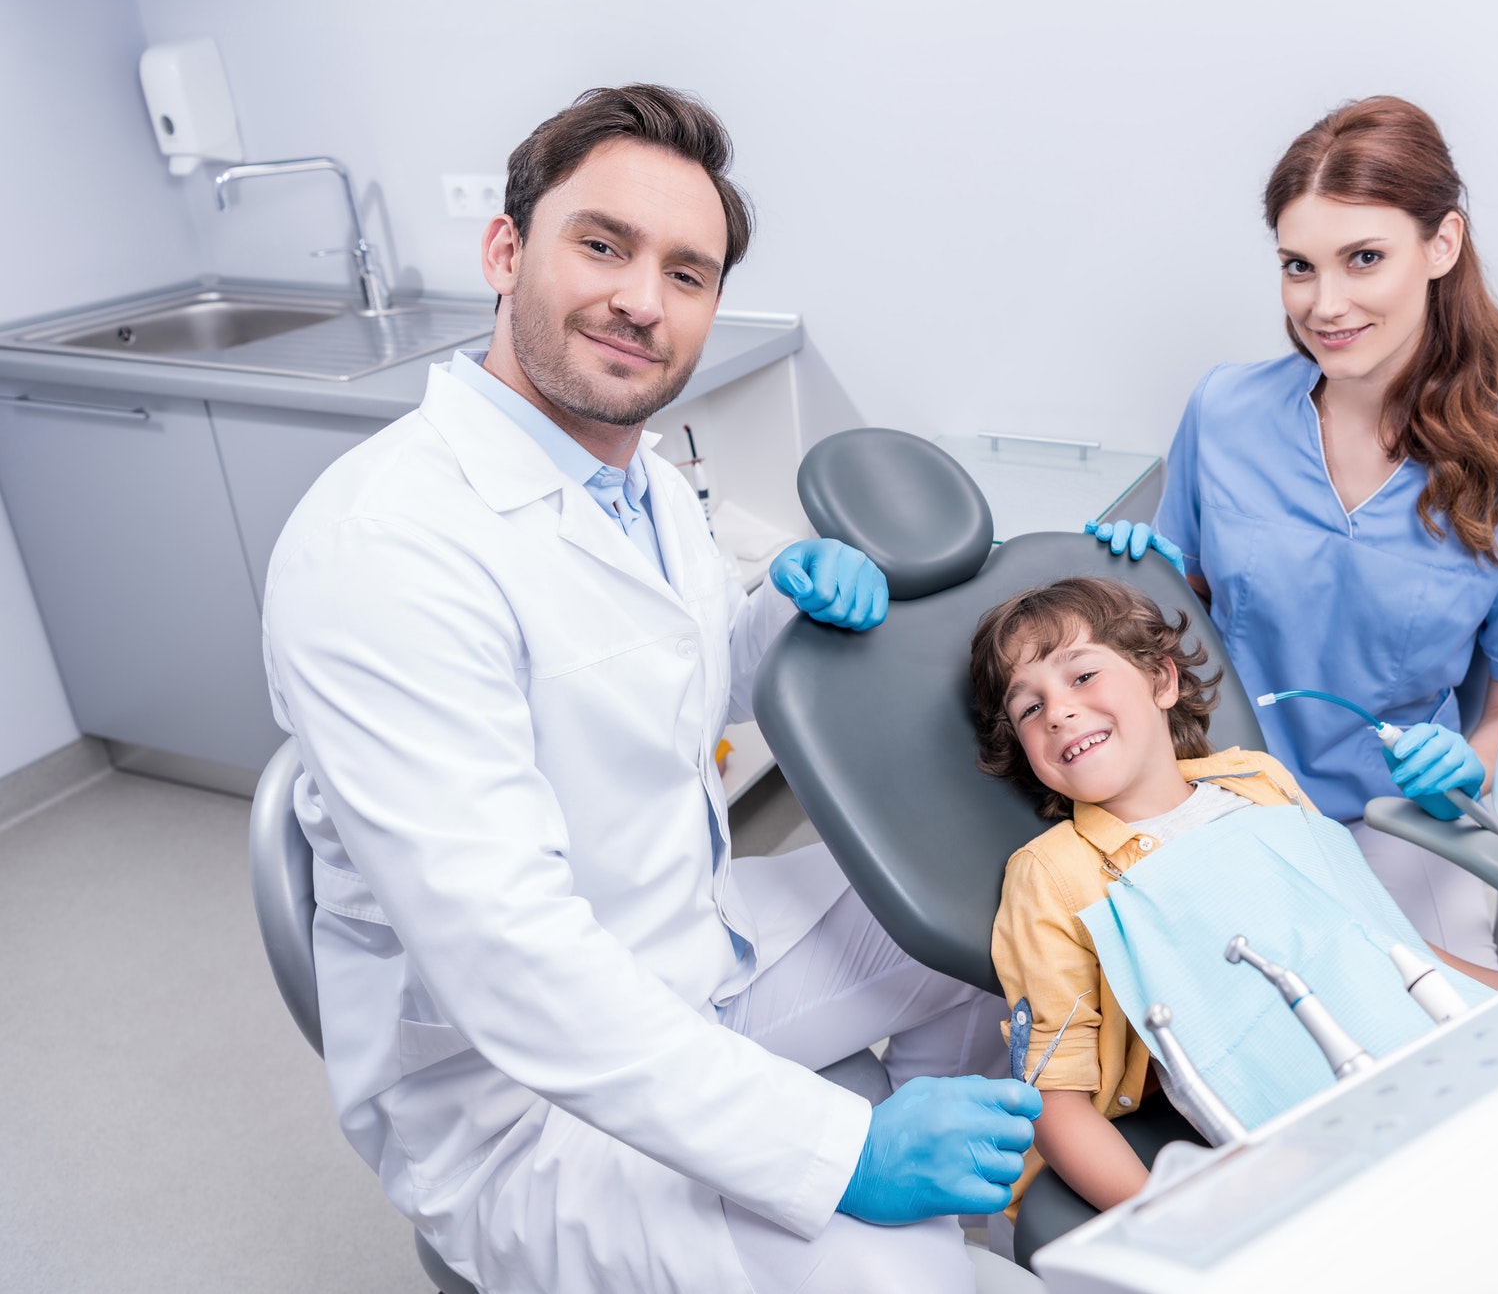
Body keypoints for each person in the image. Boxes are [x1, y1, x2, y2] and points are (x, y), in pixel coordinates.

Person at [262, 85, 1038, 1294]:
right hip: (521, 1111)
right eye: (603, 245)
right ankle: (896, 1215)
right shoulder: (384, 547)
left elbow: (675, 680)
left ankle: (936, 1159)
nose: (642, 299)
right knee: (903, 1284)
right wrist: (839, 1155)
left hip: (695, 965)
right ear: (506, 248)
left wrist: (779, 607)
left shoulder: (646, 483)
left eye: (688, 272)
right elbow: (514, 965)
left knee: (997, 901)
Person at [1091, 96, 1498, 968]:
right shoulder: (1224, 412)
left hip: (1396, 825)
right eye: (1299, 266)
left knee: (1432, 1040)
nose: (1324, 304)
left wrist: (1469, 763)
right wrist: (1125, 580)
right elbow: (1180, 606)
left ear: (1441, 244)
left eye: (1363, 258)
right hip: (1211, 795)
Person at [973, 577, 1498, 1214]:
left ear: (1162, 682)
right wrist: (1166, 1216)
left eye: (1081, 676)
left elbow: (1380, 942)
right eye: (1028, 708)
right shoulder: (1054, 872)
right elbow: (1055, 1100)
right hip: (1301, 1121)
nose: (1056, 710)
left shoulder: (1258, 779)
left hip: (1426, 1041)